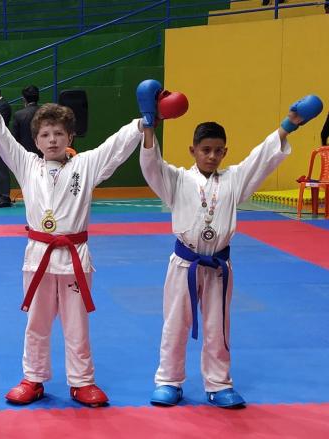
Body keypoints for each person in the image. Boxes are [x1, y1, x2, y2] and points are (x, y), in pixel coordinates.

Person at [138, 81, 323, 408]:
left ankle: (218, 383)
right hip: (184, 264)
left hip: (219, 267)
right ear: (192, 150)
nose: (211, 155)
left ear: (224, 152)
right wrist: (149, 123)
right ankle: (169, 380)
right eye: (205, 149)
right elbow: (151, 165)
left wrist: (289, 124)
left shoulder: (235, 179)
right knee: (175, 324)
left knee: (217, 327)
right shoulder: (177, 180)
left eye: (217, 150)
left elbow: (261, 158)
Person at [0, 68, 146, 408]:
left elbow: (115, 147)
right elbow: (0, 136)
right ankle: (33, 378)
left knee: (76, 325)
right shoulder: (26, 164)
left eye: (59, 133)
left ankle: (81, 381)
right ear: (36, 139)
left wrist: (142, 121)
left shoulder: (85, 166)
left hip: (74, 255)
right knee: (37, 323)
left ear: (70, 137)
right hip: (39, 255)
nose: (53, 140)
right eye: (46, 134)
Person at [12, 85, 41, 157]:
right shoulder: (46, 113)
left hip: (25, 155)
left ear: (24, 99)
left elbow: (15, 139)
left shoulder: (18, 115)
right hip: (44, 153)